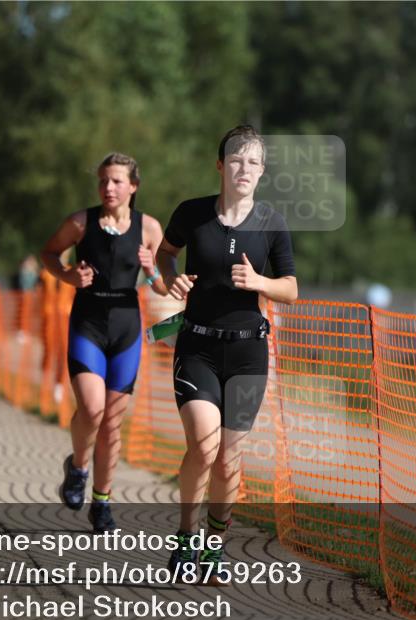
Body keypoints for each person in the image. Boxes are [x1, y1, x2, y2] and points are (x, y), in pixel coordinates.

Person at [156, 125, 297, 582]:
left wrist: (260, 283)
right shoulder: (192, 214)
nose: (244, 168)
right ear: (220, 166)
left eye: (253, 162)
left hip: (248, 354)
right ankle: (185, 539)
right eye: (236, 159)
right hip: (197, 344)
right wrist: (170, 278)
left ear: (262, 172)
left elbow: (291, 288)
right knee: (203, 443)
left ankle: (214, 547)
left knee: (228, 458)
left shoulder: (271, 223)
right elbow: (165, 254)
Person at [41, 152, 168, 534]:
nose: (108, 188)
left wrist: (152, 271)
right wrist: (66, 275)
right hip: (88, 324)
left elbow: (163, 284)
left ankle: (103, 501)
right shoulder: (81, 222)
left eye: (116, 181)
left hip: (127, 327)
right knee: (92, 409)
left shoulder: (149, 228)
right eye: (102, 181)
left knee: (112, 423)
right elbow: (48, 253)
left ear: (133, 186)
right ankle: (78, 467)